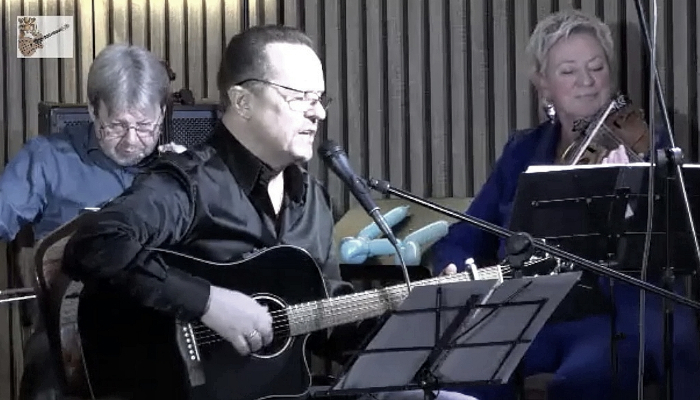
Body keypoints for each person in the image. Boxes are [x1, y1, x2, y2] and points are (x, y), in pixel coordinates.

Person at [60, 25, 476, 400]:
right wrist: (207, 303)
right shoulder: (188, 184)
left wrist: (425, 316)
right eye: (300, 98)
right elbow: (95, 243)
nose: (318, 112)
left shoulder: (311, 199)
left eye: (320, 99)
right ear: (242, 101)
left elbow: (328, 328)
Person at [431, 9, 700, 400]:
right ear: (543, 84)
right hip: (524, 312)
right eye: (568, 71)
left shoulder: (646, 144)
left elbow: (666, 246)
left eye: (596, 67)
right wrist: (455, 267)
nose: (586, 82)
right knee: (460, 377)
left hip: (608, 316)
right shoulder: (522, 151)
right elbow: (467, 234)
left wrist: (627, 199)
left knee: (581, 384)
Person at [9, 43, 183, 400]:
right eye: (116, 125)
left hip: (166, 322)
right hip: (72, 327)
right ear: (92, 110)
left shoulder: (181, 167)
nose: (131, 141)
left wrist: (194, 181)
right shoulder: (47, 157)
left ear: (162, 114)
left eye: (145, 126)